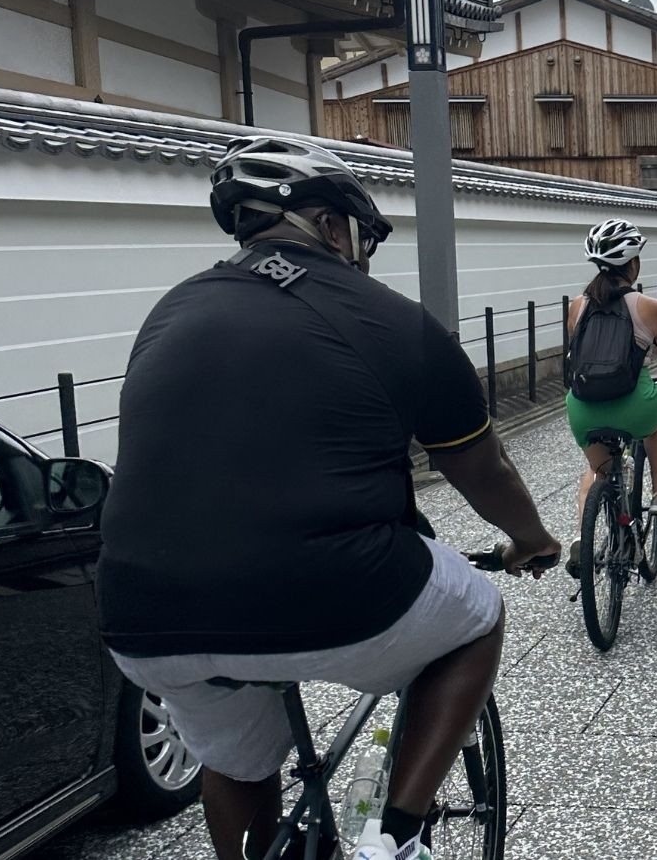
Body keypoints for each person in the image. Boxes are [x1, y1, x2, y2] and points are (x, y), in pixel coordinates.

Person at [96, 136, 561, 860]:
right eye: (363, 236)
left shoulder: (172, 310)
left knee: (239, 763)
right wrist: (530, 540)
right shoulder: (393, 320)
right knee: (477, 617)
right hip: (331, 586)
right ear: (334, 225)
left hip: (141, 611)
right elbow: (483, 468)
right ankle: (394, 836)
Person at [563, 219, 657, 575]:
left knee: (596, 471)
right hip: (632, 401)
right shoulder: (651, 307)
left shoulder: (577, 305)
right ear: (633, 264)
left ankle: (582, 536)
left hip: (582, 406)